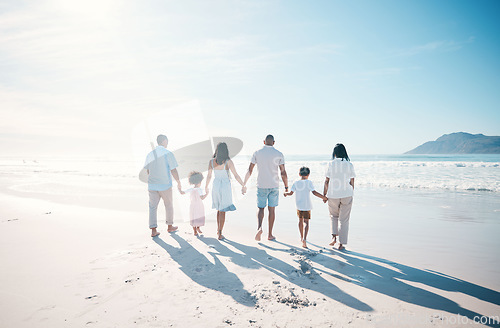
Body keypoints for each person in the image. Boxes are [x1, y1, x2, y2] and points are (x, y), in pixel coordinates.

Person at [243, 134, 288, 241]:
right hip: (274, 185)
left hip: (261, 185)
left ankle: (259, 228)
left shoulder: (257, 153)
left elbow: (250, 170)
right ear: (273, 142)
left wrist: (244, 183)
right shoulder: (279, 154)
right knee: (272, 210)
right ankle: (270, 234)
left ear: (264, 142)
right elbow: (283, 172)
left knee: (261, 208)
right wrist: (286, 186)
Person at [205, 142, 245, 240]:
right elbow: (236, 175)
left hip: (216, 185)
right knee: (223, 211)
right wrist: (243, 185)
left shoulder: (211, 162)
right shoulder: (228, 161)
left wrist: (206, 187)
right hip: (225, 186)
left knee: (219, 210)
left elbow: (209, 176)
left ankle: (218, 230)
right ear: (226, 150)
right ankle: (220, 233)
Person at [144, 134, 182, 237]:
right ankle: (170, 226)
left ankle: (153, 230)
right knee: (169, 205)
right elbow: (173, 170)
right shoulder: (167, 153)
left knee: (152, 207)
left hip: (152, 185)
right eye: (167, 140)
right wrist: (178, 182)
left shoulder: (150, 154)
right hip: (165, 185)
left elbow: (148, 170)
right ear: (164, 141)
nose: (168, 143)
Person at [284, 167, 328, 248]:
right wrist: (324, 198)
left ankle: (301, 237)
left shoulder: (296, 182)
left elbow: (291, 193)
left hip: (299, 205)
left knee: (300, 221)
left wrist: (286, 193)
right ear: (308, 174)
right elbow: (314, 192)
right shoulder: (309, 182)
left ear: (299, 174)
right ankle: (304, 238)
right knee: (306, 222)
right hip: (307, 205)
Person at [323, 143, 355, 250]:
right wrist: (351, 192)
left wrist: (324, 194)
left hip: (333, 194)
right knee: (344, 220)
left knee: (334, 216)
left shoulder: (331, 164)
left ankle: (333, 238)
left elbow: (327, 181)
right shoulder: (349, 164)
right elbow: (352, 181)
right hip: (347, 194)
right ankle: (341, 244)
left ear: (335, 153)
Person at [181, 171, 208, 236]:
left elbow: (183, 192)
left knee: (193, 217)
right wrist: (207, 193)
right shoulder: (200, 189)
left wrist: (179, 189)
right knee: (199, 217)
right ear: (199, 182)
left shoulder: (191, 189)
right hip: (199, 205)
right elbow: (202, 198)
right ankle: (198, 228)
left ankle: (195, 230)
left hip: (192, 205)